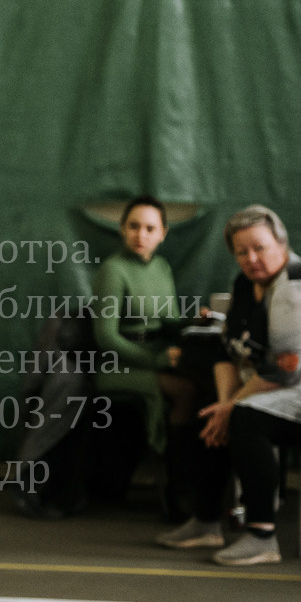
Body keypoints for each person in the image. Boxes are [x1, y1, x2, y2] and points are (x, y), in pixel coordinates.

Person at [158, 205, 301, 565]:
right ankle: (207, 520)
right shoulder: (245, 284)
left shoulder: (298, 290)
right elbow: (228, 349)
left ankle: (262, 534)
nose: (251, 258)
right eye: (241, 251)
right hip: (281, 386)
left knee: (245, 417)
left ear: (281, 244)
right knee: (211, 406)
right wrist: (224, 402)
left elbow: (283, 372)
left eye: (260, 247)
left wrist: (233, 406)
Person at [91, 196, 195, 510]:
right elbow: (105, 337)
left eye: (150, 228)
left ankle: (198, 487)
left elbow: (170, 321)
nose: (141, 235)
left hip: (159, 358)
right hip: (117, 368)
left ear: (163, 233)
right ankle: (178, 494)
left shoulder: (162, 267)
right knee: (186, 392)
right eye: (134, 226)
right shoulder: (113, 270)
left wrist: (197, 322)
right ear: (122, 229)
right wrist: (158, 361)